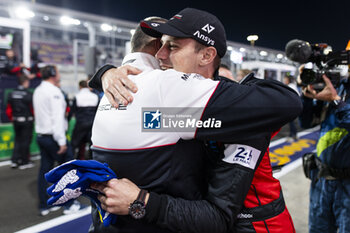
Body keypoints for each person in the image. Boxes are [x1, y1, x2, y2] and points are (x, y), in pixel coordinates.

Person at [88, 9, 301, 233]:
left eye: (172, 46)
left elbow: (217, 218)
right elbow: (152, 121)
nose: (159, 55)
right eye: (161, 45)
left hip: (257, 225)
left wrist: (141, 201)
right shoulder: (176, 111)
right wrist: (106, 74)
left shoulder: (239, 111)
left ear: (206, 56)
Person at [299, 67, 350, 233]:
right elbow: (306, 122)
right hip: (322, 180)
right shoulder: (338, 86)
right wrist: (307, 97)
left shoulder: (336, 93)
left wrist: (335, 100)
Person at [33, 65, 84, 216]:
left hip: (42, 136)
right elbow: (57, 120)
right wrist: (61, 141)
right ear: (53, 74)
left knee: (45, 169)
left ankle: (45, 205)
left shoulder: (38, 90)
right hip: (54, 138)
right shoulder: (54, 92)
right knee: (68, 170)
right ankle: (69, 205)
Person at [6, 74, 34, 169]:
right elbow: (32, 108)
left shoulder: (11, 93)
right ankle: (24, 161)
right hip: (26, 121)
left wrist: (12, 118)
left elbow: (8, 109)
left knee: (18, 140)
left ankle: (15, 160)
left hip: (16, 120)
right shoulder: (28, 94)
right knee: (25, 141)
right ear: (25, 82)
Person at [70, 80, 99, 160]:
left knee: (75, 143)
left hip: (81, 124)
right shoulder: (95, 96)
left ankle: (73, 160)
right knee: (92, 144)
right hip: (92, 123)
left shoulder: (77, 96)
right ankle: (91, 160)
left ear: (80, 87)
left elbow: (72, 111)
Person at [283, 75, 301, 142]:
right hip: (294, 105)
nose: (284, 81)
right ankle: (294, 135)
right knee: (291, 121)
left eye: (285, 80)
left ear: (288, 80)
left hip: (292, 106)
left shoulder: (290, 86)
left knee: (291, 122)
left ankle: (292, 135)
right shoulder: (292, 85)